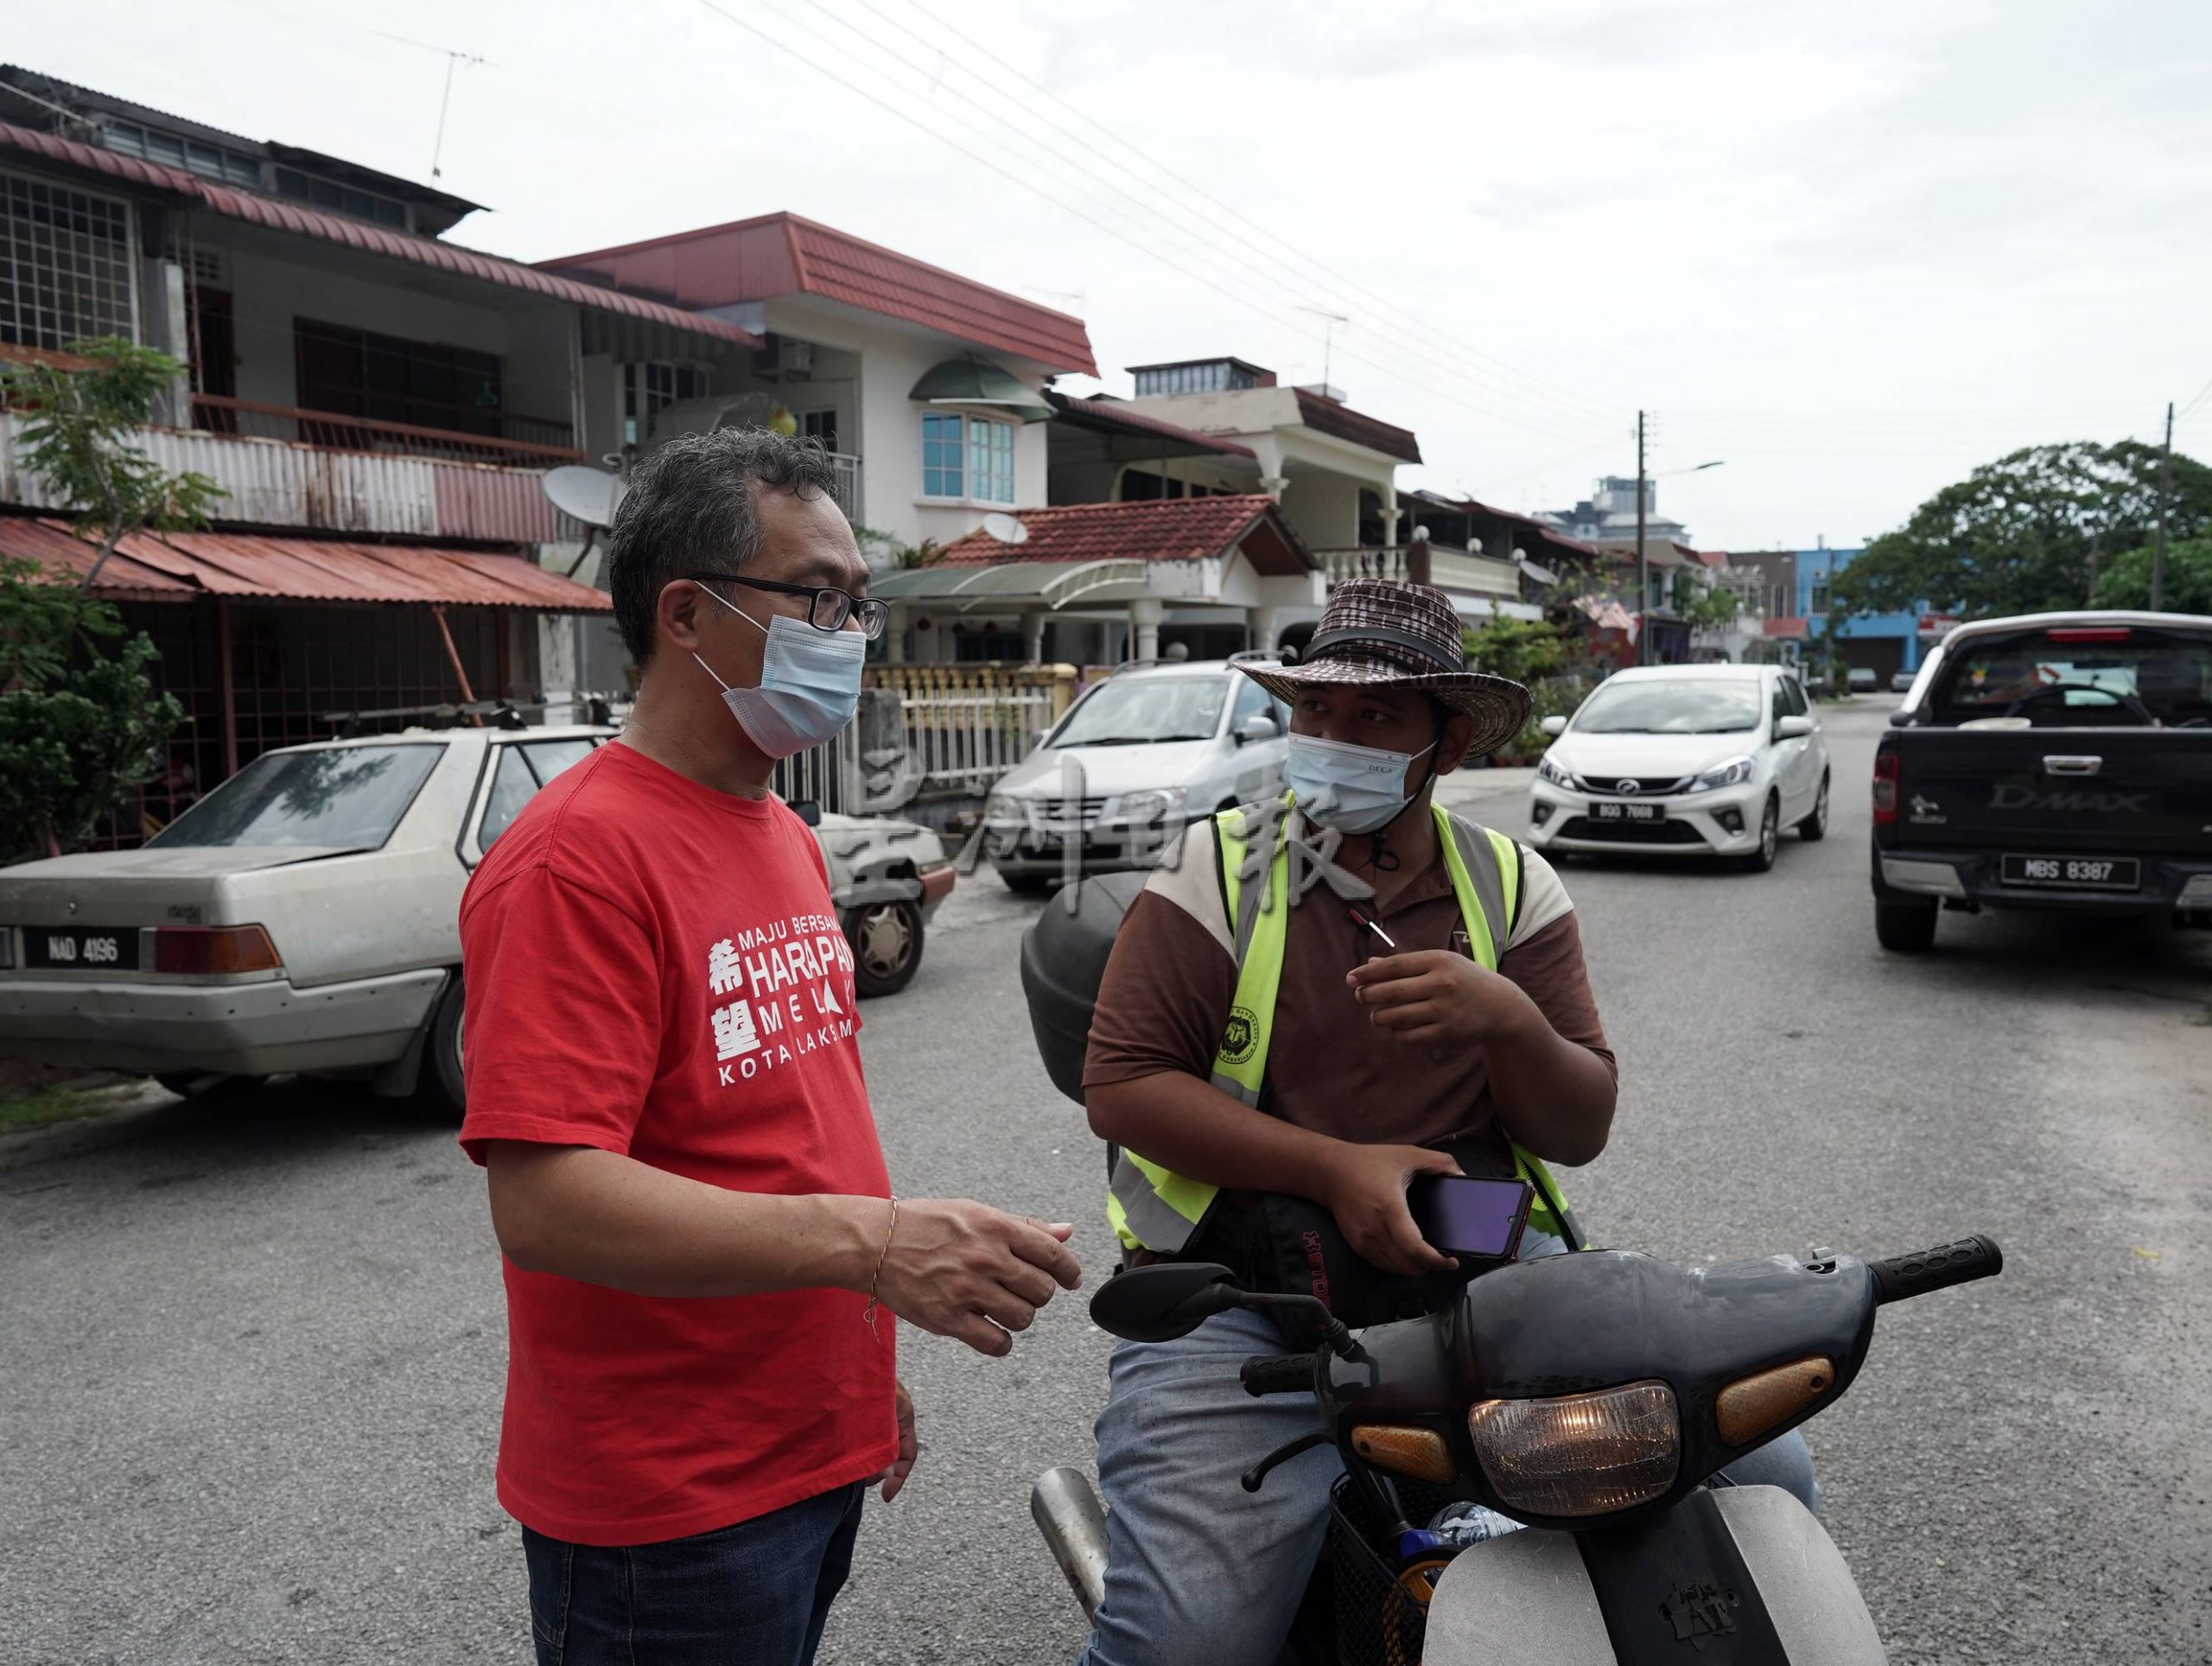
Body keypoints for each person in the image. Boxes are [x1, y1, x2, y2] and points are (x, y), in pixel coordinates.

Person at [1073, 580, 1815, 1666]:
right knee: (1187, 1637)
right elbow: (1124, 1084)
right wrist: (1334, 1168)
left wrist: (1512, 1025)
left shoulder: (1511, 883)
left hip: (1476, 1269)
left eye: (1375, 717)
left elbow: (1578, 1127)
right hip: (1238, 1291)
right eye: (1316, 711)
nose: (1333, 738)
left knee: (1761, 1470)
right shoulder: (1215, 872)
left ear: (1446, 742)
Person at [458, 429, 1082, 1666]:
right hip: (668, 1512)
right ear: (686, 615)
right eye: (818, 598)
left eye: (860, 605)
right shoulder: (575, 858)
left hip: (801, 1447)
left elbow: (782, 1140)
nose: (850, 632)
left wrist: (852, 1373)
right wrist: (886, 1246)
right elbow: (546, 1201)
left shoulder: (781, 834)